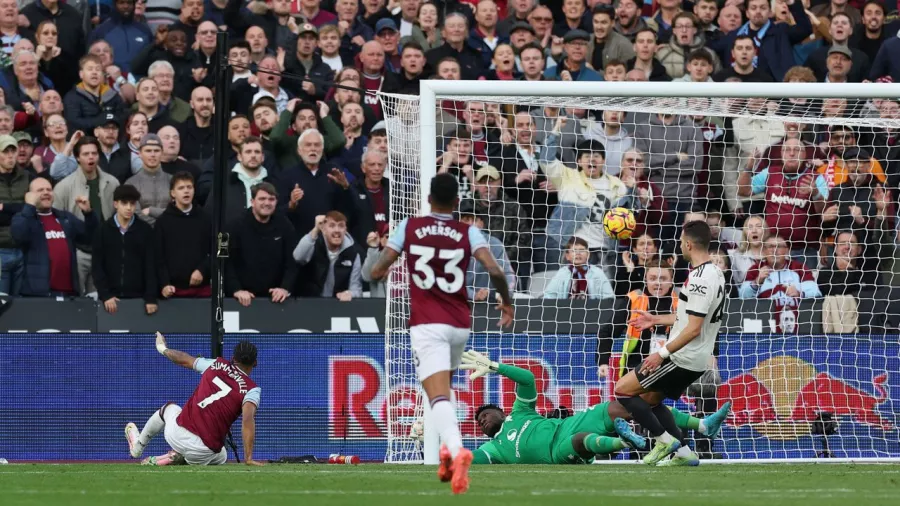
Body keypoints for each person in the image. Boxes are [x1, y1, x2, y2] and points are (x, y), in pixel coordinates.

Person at [367, 173, 514, 494]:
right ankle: (449, 449)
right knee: (443, 389)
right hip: (460, 321)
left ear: (429, 199)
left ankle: (455, 449)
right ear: (457, 203)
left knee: (436, 395)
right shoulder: (469, 231)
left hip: (427, 322)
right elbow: (495, 270)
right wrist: (507, 303)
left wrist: (380, 267)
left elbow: (377, 271)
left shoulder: (409, 227)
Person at [464, 352, 732, 464]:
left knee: (630, 403)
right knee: (580, 441)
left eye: (485, 414)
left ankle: (702, 425)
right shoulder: (492, 448)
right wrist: (427, 433)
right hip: (557, 451)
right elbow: (464, 460)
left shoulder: (520, 413)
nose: (483, 421)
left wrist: (494, 366)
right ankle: (627, 443)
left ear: (501, 411)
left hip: (571, 423)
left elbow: (528, 379)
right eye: (479, 423)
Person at [614, 220, 726, 466]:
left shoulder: (698, 279)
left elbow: (694, 329)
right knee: (651, 401)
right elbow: (691, 316)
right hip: (694, 358)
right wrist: (656, 318)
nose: (680, 246)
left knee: (622, 390)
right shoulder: (716, 272)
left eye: (680, 242)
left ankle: (663, 440)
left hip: (682, 357)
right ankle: (685, 455)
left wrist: (661, 354)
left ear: (688, 244)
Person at [125, 334, 263, 466]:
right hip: (202, 453)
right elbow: (247, 420)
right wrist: (248, 458)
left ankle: (138, 448)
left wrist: (161, 347)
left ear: (233, 358)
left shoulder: (216, 364)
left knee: (169, 408)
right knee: (222, 455)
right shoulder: (252, 390)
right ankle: (177, 457)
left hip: (176, 435)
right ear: (255, 363)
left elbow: (184, 359)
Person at [11, 177, 98, 297]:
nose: (46, 192)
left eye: (49, 189)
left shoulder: (65, 218)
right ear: (29, 195)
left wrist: (89, 214)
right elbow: (19, 235)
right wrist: (29, 206)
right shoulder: (23, 217)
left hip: (69, 292)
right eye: (40, 190)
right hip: (38, 293)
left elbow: (90, 238)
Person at [225, 182, 297, 307]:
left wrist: (285, 288)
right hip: (241, 299)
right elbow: (223, 260)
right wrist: (236, 289)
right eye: (262, 199)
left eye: (271, 199)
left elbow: (292, 261)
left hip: (275, 299)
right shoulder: (233, 225)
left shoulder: (285, 224)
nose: (267, 203)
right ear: (252, 201)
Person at [92, 184, 157, 315]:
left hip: (139, 298)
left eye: (132, 204)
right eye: (124, 203)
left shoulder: (145, 230)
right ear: (116, 204)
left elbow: (150, 265)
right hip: (110, 300)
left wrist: (150, 296)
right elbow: (97, 265)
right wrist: (105, 294)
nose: (129, 207)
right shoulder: (103, 230)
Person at [155, 172, 212, 298]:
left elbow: (219, 249)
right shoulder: (162, 222)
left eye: (189, 187)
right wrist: (164, 283)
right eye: (181, 188)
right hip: (173, 291)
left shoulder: (207, 219)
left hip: (203, 290)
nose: (186, 191)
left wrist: (203, 270)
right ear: (172, 193)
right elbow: (158, 257)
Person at [293, 211, 363, 300]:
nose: (337, 230)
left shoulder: (353, 253)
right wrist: (315, 229)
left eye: (341, 226)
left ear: (345, 229)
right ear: (324, 230)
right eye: (332, 226)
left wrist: (350, 294)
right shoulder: (314, 244)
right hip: (309, 302)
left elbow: (356, 289)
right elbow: (298, 257)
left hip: (336, 305)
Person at [543, 236, 615, 299]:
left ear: (588, 255)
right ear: (567, 256)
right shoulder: (562, 273)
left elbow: (609, 297)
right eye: (574, 250)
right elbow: (549, 295)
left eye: (582, 250)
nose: (578, 253)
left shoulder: (597, 273)